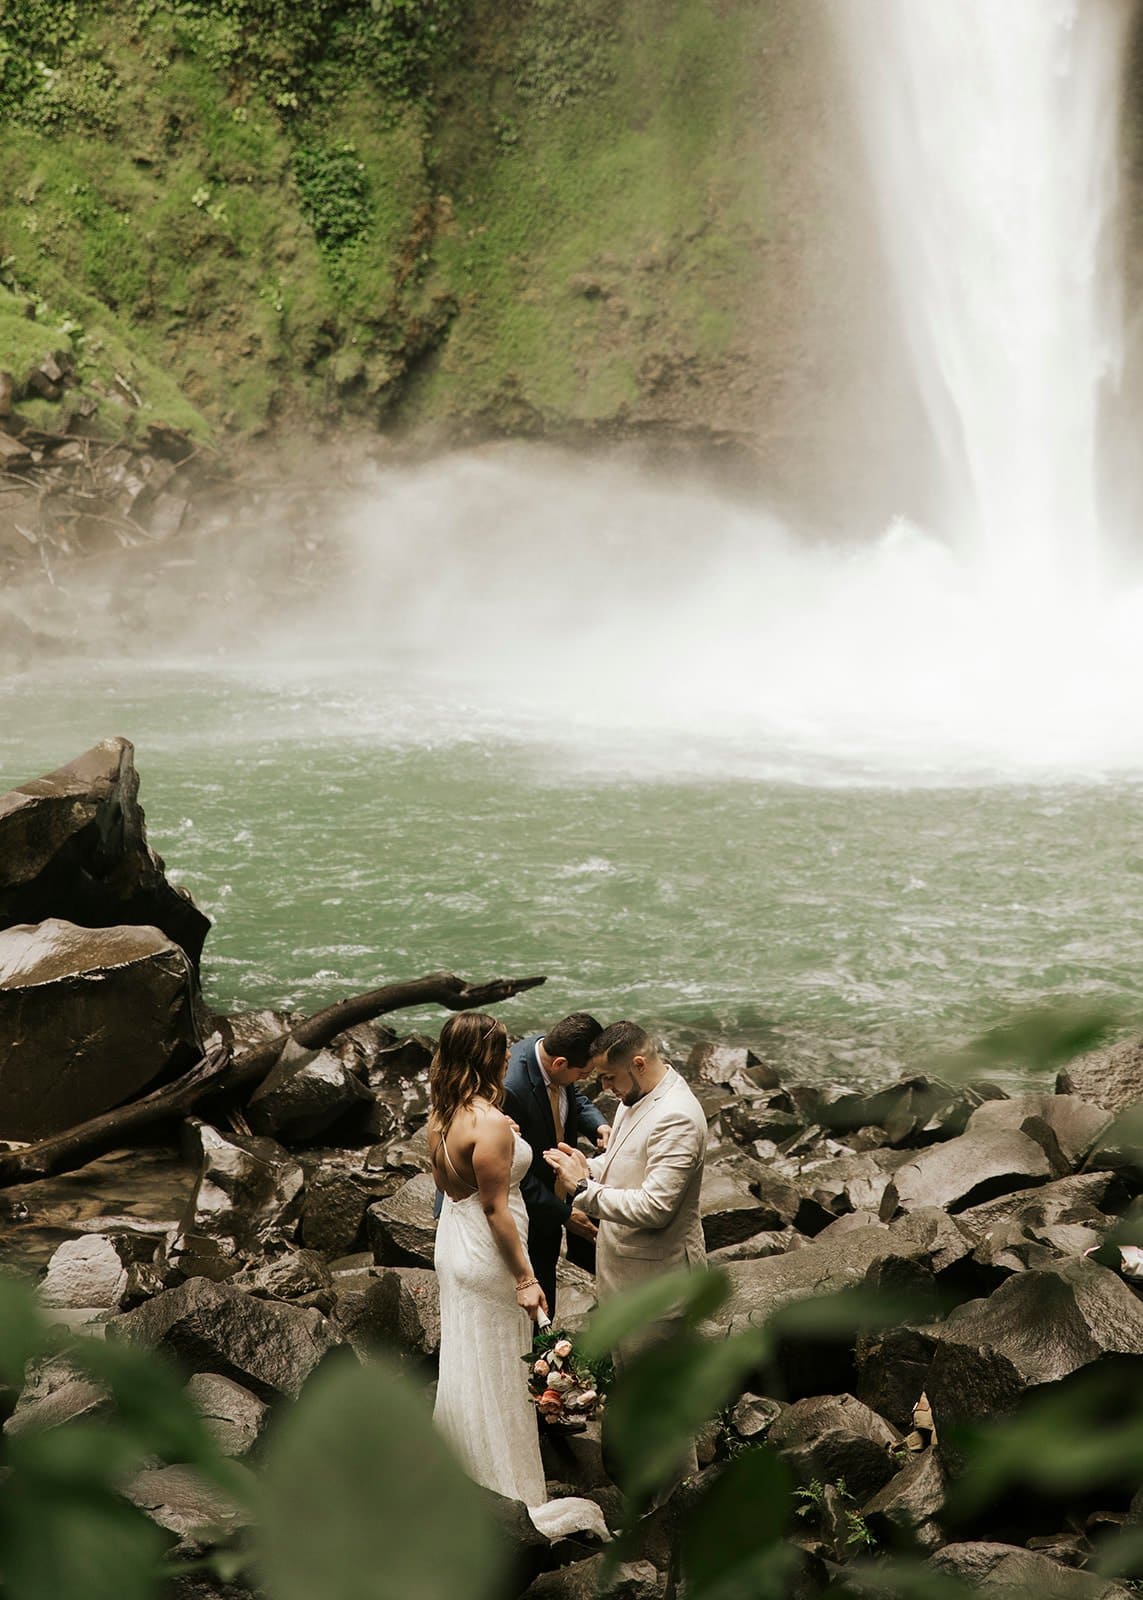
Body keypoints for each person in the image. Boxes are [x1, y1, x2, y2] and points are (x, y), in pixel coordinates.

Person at [429, 1011, 609, 1541]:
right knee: (502, 1370)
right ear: (486, 1059)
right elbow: (495, 1208)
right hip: (489, 1255)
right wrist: (527, 1278)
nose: (510, 1056)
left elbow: (455, 1188)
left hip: (453, 1248)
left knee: (468, 1364)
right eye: (502, 1049)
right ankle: (507, 1493)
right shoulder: (488, 1124)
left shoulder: (444, 1115)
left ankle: (462, 1479)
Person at [543, 1020, 708, 1493]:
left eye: (609, 1078)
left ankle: (676, 1507)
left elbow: (656, 1208)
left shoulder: (677, 1115)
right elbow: (620, 1168)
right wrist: (582, 1165)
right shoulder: (634, 1099)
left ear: (638, 1063)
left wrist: (582, 1190)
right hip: (624, 1281)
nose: (604, 1089)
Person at [502, 1012, 612, 1318]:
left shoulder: (549, 1051)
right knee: (536, 1283)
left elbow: (571, 1095)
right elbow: (512, 1173)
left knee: (550, 1272)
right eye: (583, 1073)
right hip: (527, 1204)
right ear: (560, 1064)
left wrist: (598, 1126)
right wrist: (564, 1214)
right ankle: (541, 1355)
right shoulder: (512, 1090)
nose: (586, 1081)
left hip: (557, 1184)